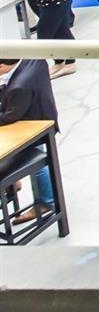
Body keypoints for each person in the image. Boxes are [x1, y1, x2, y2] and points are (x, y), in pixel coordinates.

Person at [0, 59, 60, 224]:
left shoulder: (19, 86)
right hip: (40, 113)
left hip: (31, 127)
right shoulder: (34, 61)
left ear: (2, 66)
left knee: (36, 162)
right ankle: (11, 184)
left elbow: (9, 116)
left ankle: (47, 202)